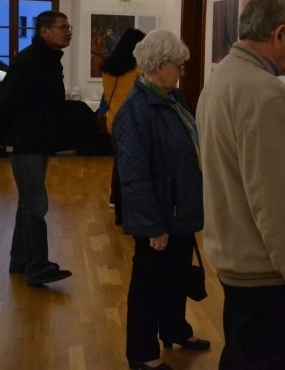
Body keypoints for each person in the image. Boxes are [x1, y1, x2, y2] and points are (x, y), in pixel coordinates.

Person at [196, 0, 285, 370]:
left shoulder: (221, 79)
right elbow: (280, 206)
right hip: (264, 276)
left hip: (238, 264)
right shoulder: (265, 94)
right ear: (279, 34)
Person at [113, 29, 208, 370]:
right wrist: (153, 227)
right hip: (158, 218)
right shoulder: (135, 111)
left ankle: (174, 329)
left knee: (177, 278)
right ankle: (142, 354)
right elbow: (134, 178)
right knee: (148, 288)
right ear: (157, 66)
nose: (182, 70)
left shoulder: (174, 100)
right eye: (178, 65)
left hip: (180, 210)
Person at [0, 10, 73, 286]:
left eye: (68, 27)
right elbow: (7, 100)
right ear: (44, 31)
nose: (68, 31)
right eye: (62, 27)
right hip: (26, 141)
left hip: (35, 140)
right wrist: (0, 134)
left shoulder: (46, 59)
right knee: (35, 203)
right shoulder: (32, 61)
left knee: (28, 202)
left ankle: (19, 259)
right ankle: (38, 266)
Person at [100, 28, 146, 225]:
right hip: (133, 120)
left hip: (113, 120)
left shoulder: (108, 66)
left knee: (120, 164)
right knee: (132, 167)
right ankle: (127, 210)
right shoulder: (137, 67)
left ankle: (117, 207)